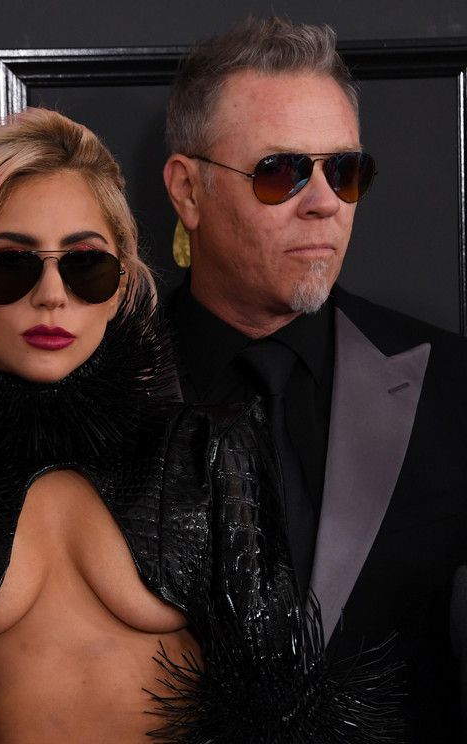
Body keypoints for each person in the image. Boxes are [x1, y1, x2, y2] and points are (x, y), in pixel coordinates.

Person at [0, 108, 399, 743]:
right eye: (10, 265)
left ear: (121, 285)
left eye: (85, 266)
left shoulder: (209, 452)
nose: (52, 295)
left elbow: (281, 711)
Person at [162, 16, 467, 740]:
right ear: (188, 191)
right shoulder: (95, 391)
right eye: (282, 172)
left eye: (346, 171)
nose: (325, 201)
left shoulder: (454, 386)